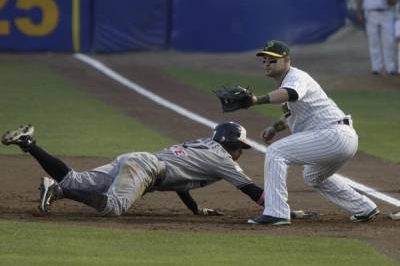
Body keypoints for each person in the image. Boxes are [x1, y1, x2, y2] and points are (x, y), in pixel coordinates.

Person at [2, 122, 303, 218]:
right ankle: (58, 190)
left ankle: (29, 143)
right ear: (229, 144)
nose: (241, 151)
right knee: (114, 208)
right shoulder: (224, 160)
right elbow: (252, 191)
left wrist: (196, 208)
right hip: (147, 167)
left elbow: (181, 181)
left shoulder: (202, 146)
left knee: (77, 178)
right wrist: (280, 209)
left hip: (137, 159)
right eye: (241, 146)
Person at [234, 40, 378, 225]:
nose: (267, 64)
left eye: (273, 60)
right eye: (265, 60)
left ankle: (276, 212)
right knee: (313, 175)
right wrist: (274, 128)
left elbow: (290, 93)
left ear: (286, 60)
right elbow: (293, 112)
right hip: (339, 137)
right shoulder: (289, 80)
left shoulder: (296, 77)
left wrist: (256, 100)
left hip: (333, 135)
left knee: (276, 152)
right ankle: (364, 207)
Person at [356, 0, 398, 75]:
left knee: (389, 41)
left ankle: (390, 67)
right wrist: (359, 10)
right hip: (370, 12)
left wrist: (391, 1)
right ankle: (376, 67)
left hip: (387, 12)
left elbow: (393, 2)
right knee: (373, 41)